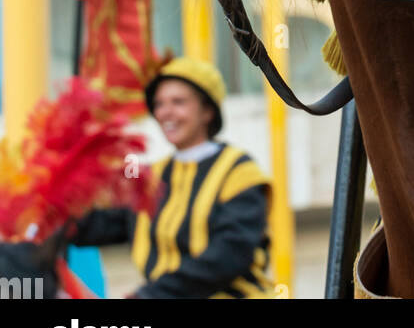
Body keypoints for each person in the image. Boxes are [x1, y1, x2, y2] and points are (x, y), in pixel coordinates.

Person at [71, 56, 274, 298]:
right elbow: (109, 224)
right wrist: (55, 215)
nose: (165, 113)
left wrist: (150, 296)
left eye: (178, 102)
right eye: (159, 104)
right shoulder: (152, 176)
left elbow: (228, 256)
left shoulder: (240, 172)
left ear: (207, 111)